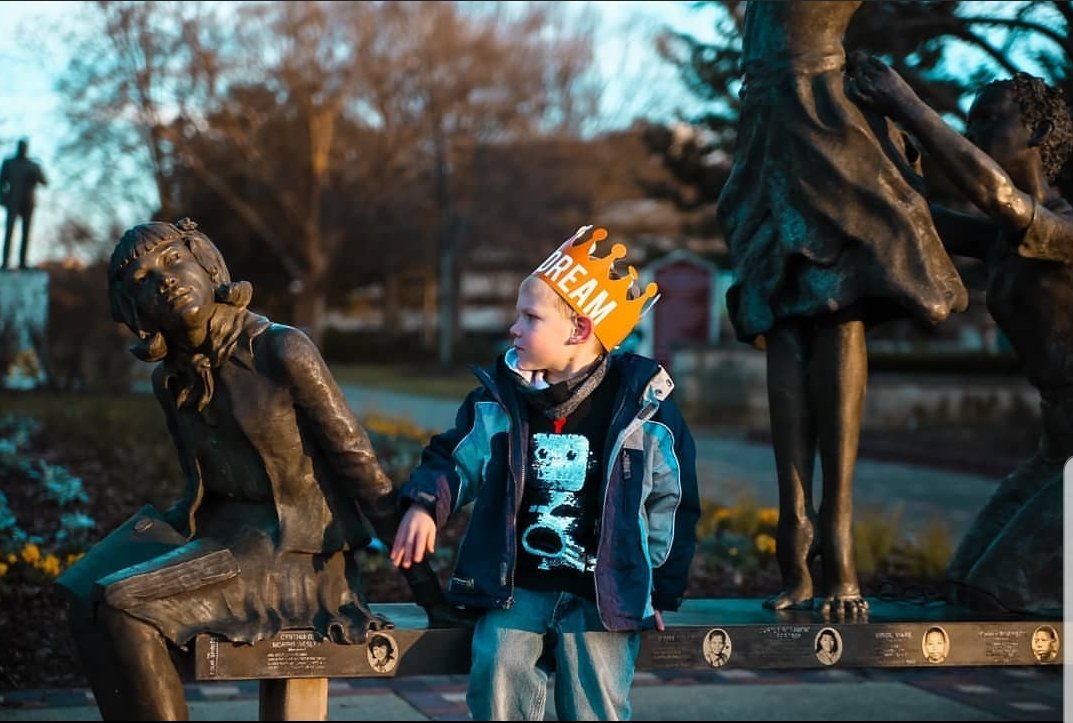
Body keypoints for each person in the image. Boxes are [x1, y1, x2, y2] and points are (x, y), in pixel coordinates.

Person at [56, 218, 456, 720]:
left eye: (174, 260)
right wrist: (149, 532)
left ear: (206, 262)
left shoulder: (280, 350)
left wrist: (426, 590)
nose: (165, 280)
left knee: (123, 607)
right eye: (143, 280)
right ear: (134, 310)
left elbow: (360, 467)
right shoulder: (171, 381)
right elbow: (200, 487)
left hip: (293, 555)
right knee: (81, 593)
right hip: (222, 534)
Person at [715, 1, 967, 616]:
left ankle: (838, 541)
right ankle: (795, 536)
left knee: (837, 307)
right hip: (766, 127)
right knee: (781, 316)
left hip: (823, 114)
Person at [390, 224, 700, 721]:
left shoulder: (645, 408)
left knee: (594, 701)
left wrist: (659, 588)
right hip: (519, 586)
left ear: (579, 330)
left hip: (604, 594)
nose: (513, 328)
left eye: (529, 317)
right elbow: (453, 459)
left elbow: (674, 501)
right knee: (498, 677)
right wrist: (426, 506)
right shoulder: (500, 402)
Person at [849, 56, 1073, 617]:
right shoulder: (1003, 237)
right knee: (963, 585)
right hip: (1058, 446)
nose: (972, 133)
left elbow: (1000, 197)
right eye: (968, 122)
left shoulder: (1062, 227)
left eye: (987, 119)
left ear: (1039, 132)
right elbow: (923, 218)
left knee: (1001, 592)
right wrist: (876, 136)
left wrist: (906, 102)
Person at [0, 138, 48, 270]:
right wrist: (3, 199)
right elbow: (1, 182)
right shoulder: (9, 163)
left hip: (28, 202)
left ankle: (22, 262)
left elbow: (45, 182)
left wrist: (36, 176)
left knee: (26, 233)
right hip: (13, 202)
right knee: (9, 232)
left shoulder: (33, 165)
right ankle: (5, 261)